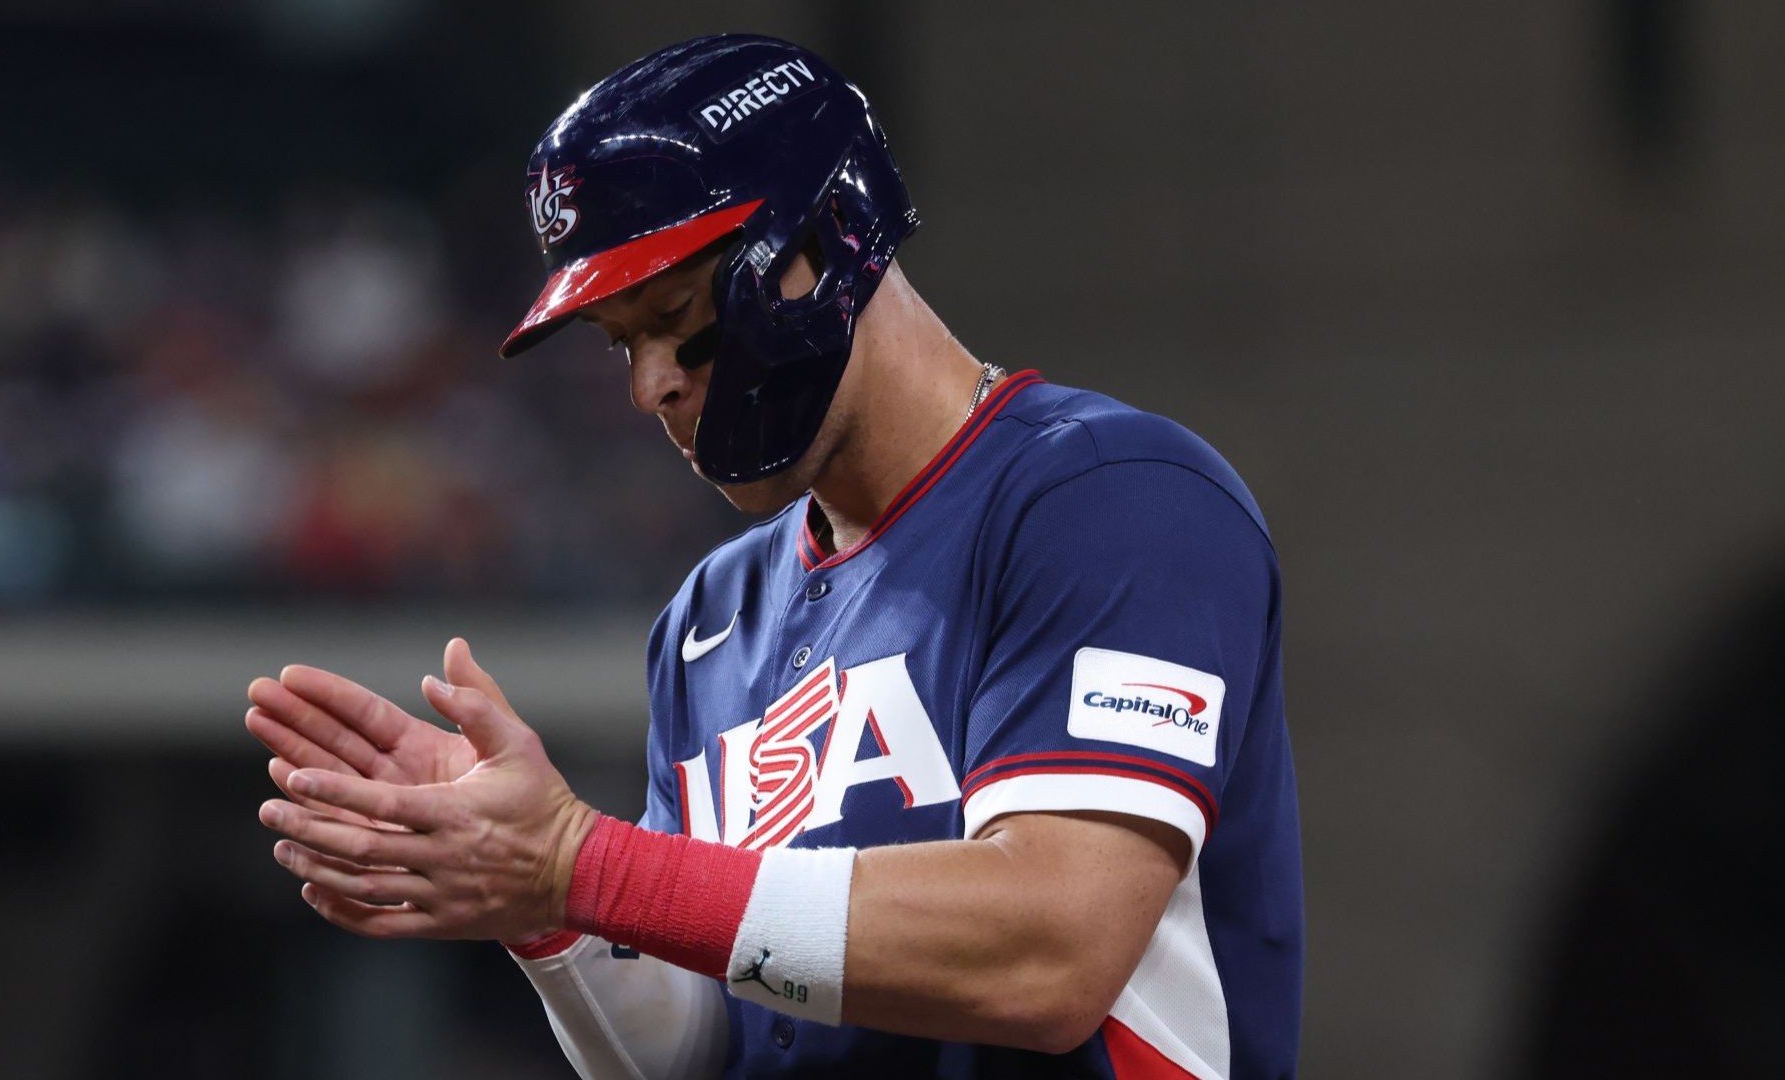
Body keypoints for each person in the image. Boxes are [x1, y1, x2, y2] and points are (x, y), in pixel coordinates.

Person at [248, 33, 1302, 1079]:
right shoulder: (712, 616)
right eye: (623, 343)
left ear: (831, 237)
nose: (650, 386)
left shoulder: (1113, 498)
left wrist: (583, 862)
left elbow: (1052, 954)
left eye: (676, 318)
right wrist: (545, 906)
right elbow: (707, 1047)